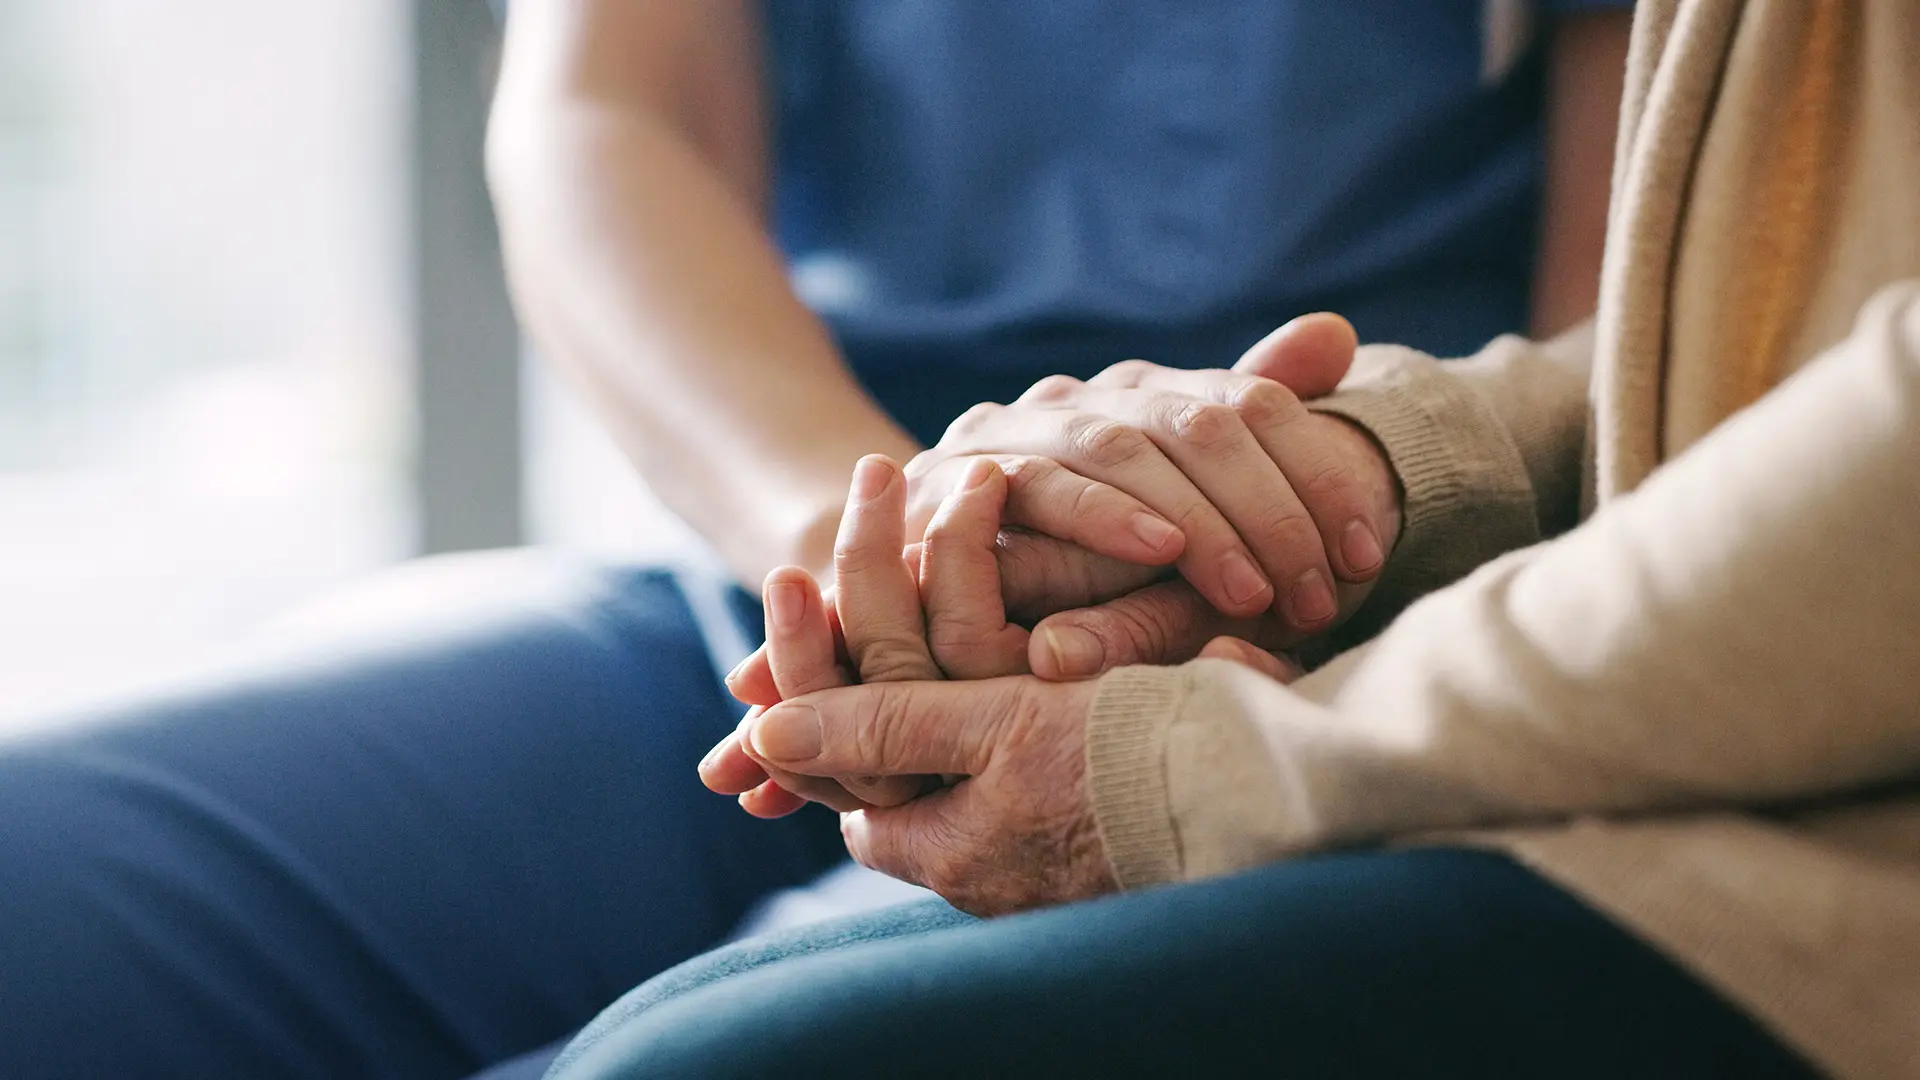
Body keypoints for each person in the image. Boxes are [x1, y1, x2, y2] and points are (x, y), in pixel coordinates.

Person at [0, 4, 1633, 1079]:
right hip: (773, 572)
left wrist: (1291, 578)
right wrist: (872, 546)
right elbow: (604, 119)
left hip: (1312, 637)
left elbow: (1636, 334)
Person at [541, 1, 1920, 1077]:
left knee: (694, 1058)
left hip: (1582, 722)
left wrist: (1206, 761)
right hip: (878, 562)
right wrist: (1377, 462)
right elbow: (1742, 340)